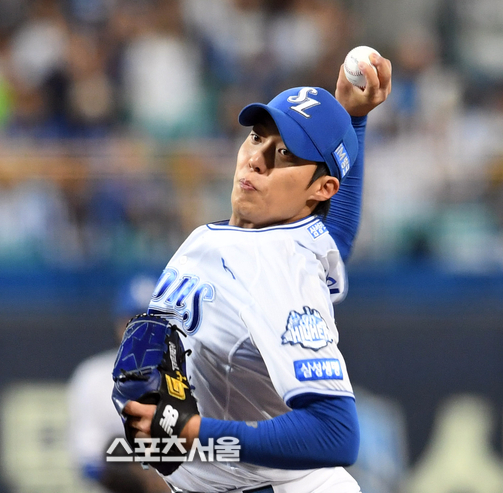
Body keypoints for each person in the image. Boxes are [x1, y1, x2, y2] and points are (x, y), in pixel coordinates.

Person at [119, 54, 392, 493]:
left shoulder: (273, 266)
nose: (256, 160)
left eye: (284, 154)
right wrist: (351, 121)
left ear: (322, 189)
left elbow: (335, 432)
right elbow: (334, 237)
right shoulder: (290, 237)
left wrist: (195, 433)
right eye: (256, 137)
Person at [68, 274, 170, 493]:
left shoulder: (193, 375)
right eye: (132, 320)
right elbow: (89, 462)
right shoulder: (93, 377)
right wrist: (144, 480)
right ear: (118, 324)